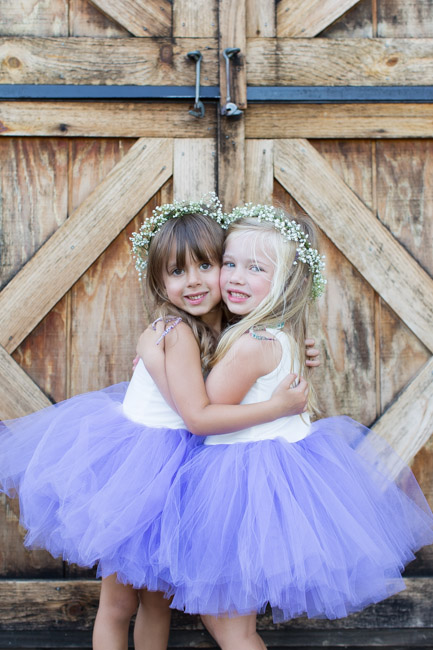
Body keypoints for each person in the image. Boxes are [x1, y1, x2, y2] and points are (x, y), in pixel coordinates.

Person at [0, 195, 319, 650]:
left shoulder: (231, 325)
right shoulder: (176, 334)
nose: (193, 281)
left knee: (155, 603)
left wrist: (308, 349)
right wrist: (154, 356)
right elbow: (195, 415)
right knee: (118, 604)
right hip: (139, 473)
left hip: (179, 474)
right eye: (175, 272)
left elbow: (250, 363)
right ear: (158, 280)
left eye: (207, 265)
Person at [141, 205, 433, 650]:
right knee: (223, 621)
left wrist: (154, 356)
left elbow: (198, 413)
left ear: (284, 282)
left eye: (254, 268)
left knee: (231, 627)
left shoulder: (249, 346)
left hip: (237, 486)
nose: (235, 277)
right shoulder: (277, 335)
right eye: (231, 263)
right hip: (269, 479)